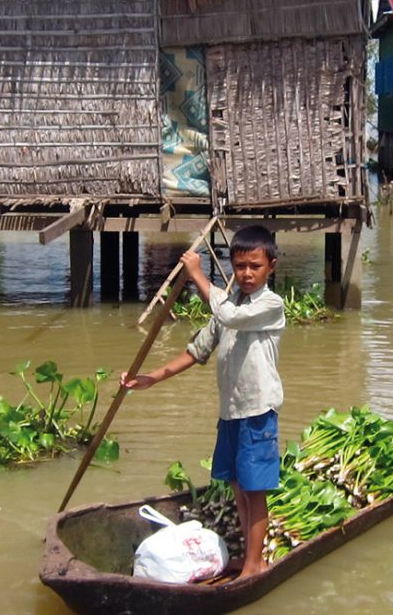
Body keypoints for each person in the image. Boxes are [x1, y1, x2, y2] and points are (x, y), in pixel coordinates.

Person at [122, 225, 285, 580]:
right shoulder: (227, 306)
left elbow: (230, 317)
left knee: (256, 492)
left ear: (270, 266)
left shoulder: (272, 305)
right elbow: (197, 351)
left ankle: (256, 565)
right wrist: (152, 377)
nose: (246, 273)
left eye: (255, 266)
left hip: (258, 412)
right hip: (231, 413)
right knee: (239, 488)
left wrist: (197, 275)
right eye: (240, 266)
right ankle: (249, 557)